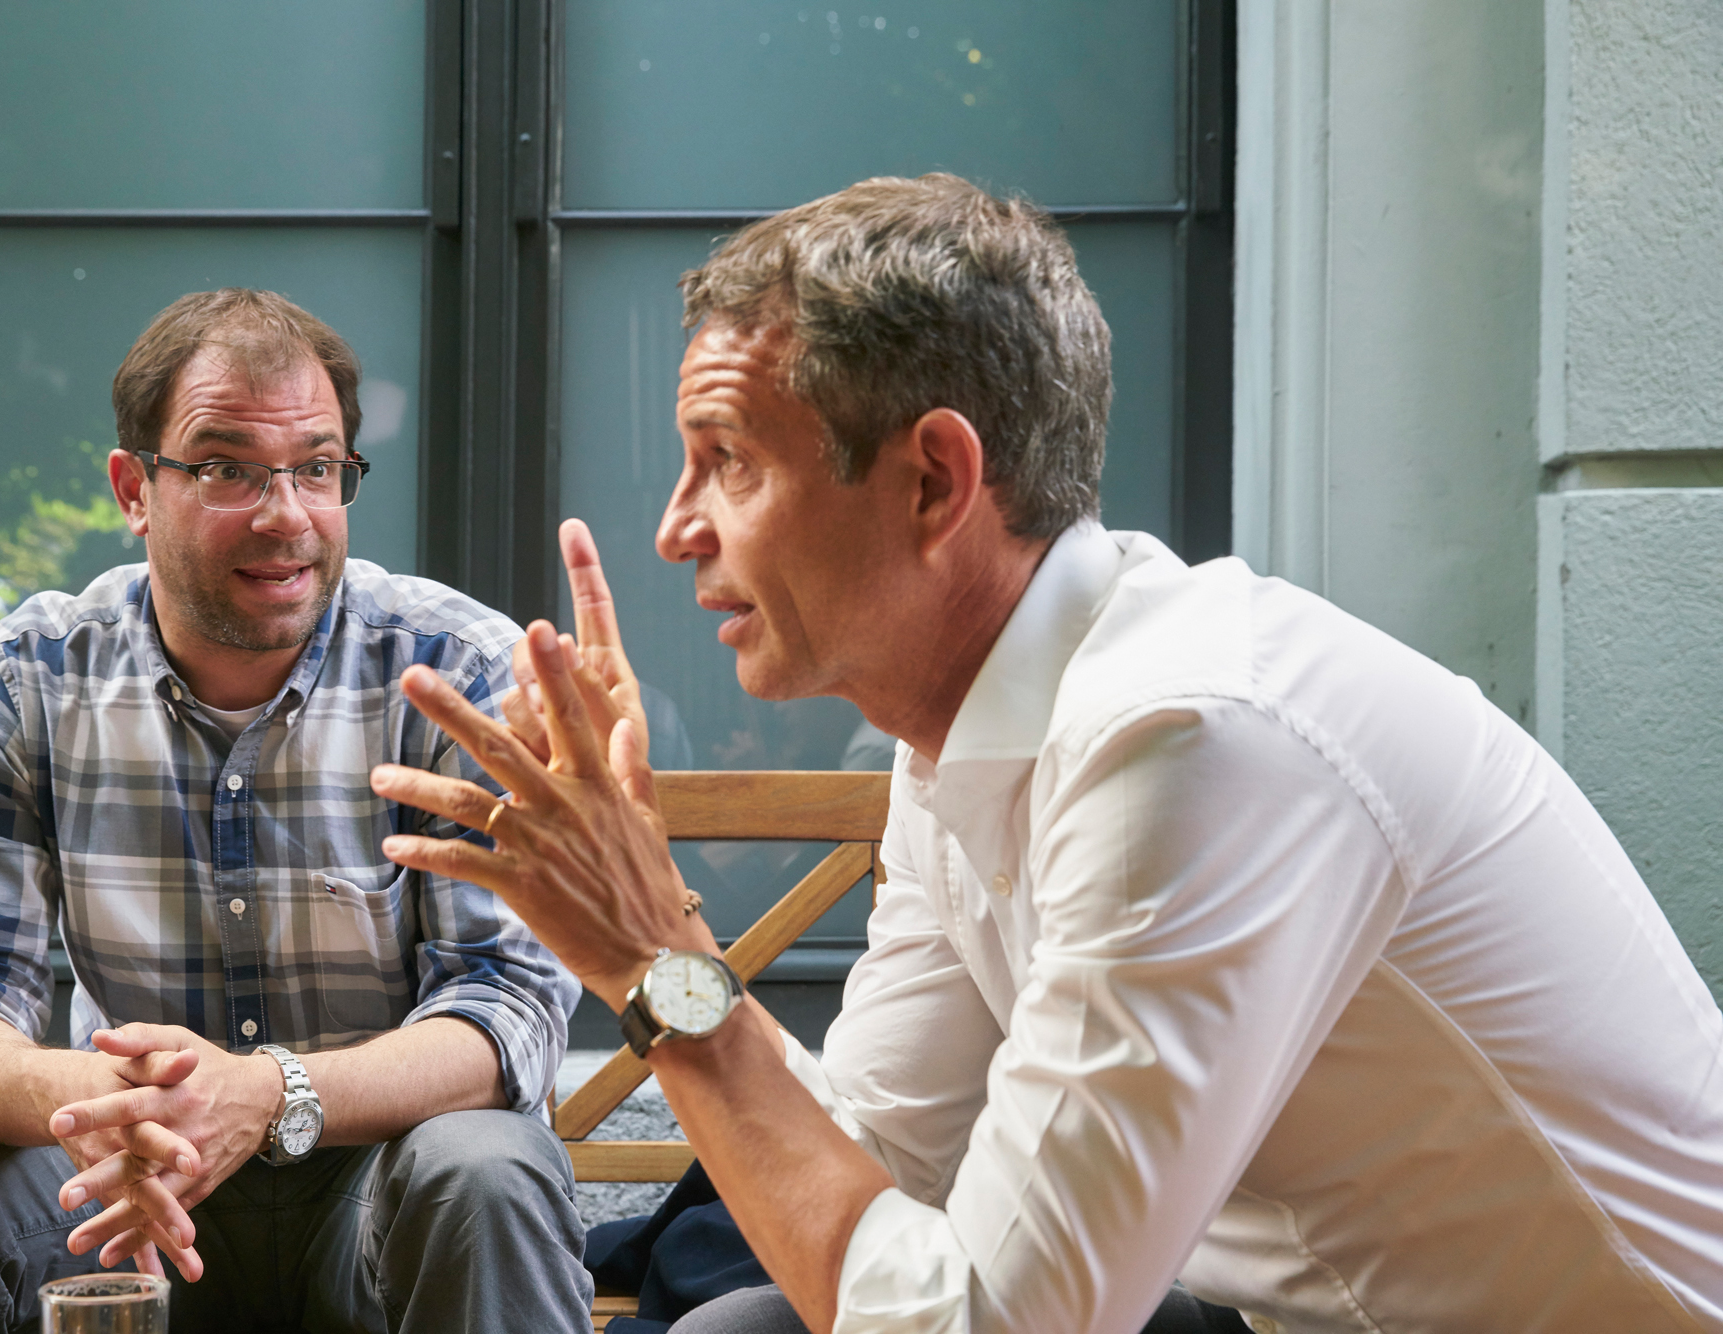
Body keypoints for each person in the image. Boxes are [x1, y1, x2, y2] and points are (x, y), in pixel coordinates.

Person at [369, 176, 1723, 1333]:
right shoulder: (964, 732)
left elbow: (985, 1323)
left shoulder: (1187, 740)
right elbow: (874, 1160)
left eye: (728, 459)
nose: (675, 526)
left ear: (935, 481)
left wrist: (644, 948)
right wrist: (653, 945)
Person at [0, 290, 594, 1334]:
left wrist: (267, 1094)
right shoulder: (22, 679)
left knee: (486, 1164)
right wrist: (89, 1099)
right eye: (225, 467)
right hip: (115, 1193)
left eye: (316, 466)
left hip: (378, 1191)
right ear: (134, 488)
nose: (286, 513)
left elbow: (503, 1016)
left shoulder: (455, 670)